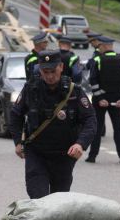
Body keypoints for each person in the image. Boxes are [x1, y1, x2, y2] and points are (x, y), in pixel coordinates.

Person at [9, 50, 97, 199]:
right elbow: (15, 115)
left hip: (64, 156)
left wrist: (80, 144)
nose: (49, 76)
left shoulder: (74, 91)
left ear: (61, 67)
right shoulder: (31, 89)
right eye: (45, 71)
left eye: (53, 71)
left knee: (58, 203)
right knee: (38, 198)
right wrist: (18, 142)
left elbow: (90, 119)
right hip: (37, 153)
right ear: (39, 69)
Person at [86, 36, 120, 163]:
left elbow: (93, 81)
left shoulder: (98, 60)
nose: (99, 48)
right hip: (117, 101)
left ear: (104, 46)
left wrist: (100, 98)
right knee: (119, 128)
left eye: (99, 46)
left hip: (100, 101)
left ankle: (92, 156)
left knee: (97, 128)